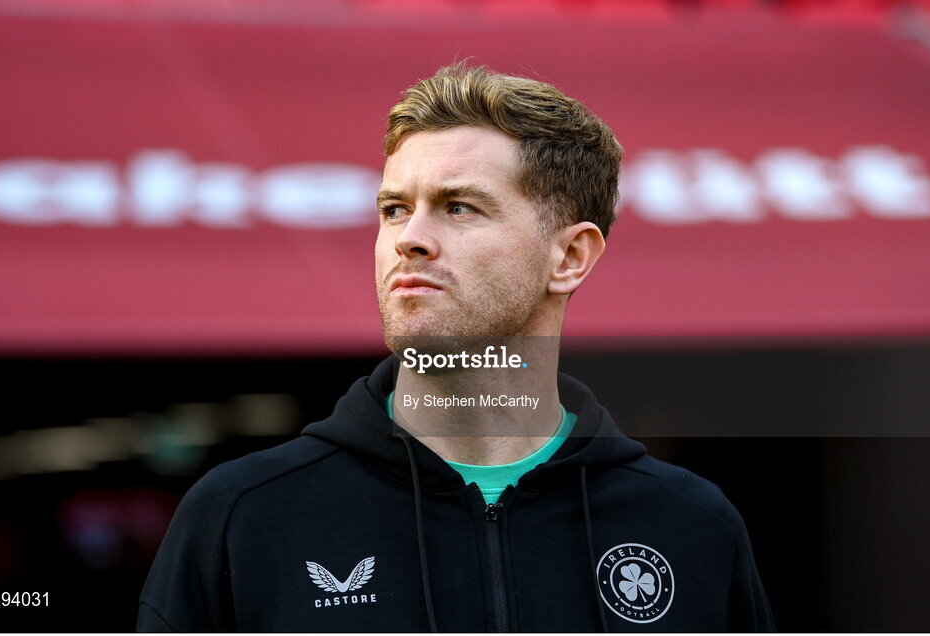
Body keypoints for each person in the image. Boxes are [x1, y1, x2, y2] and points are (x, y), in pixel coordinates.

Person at [137, 63, 774, 632]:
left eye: (459, 207)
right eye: (394, 209)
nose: (409, 238)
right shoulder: (245, 515)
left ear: (570, 257)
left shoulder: (690, 524)